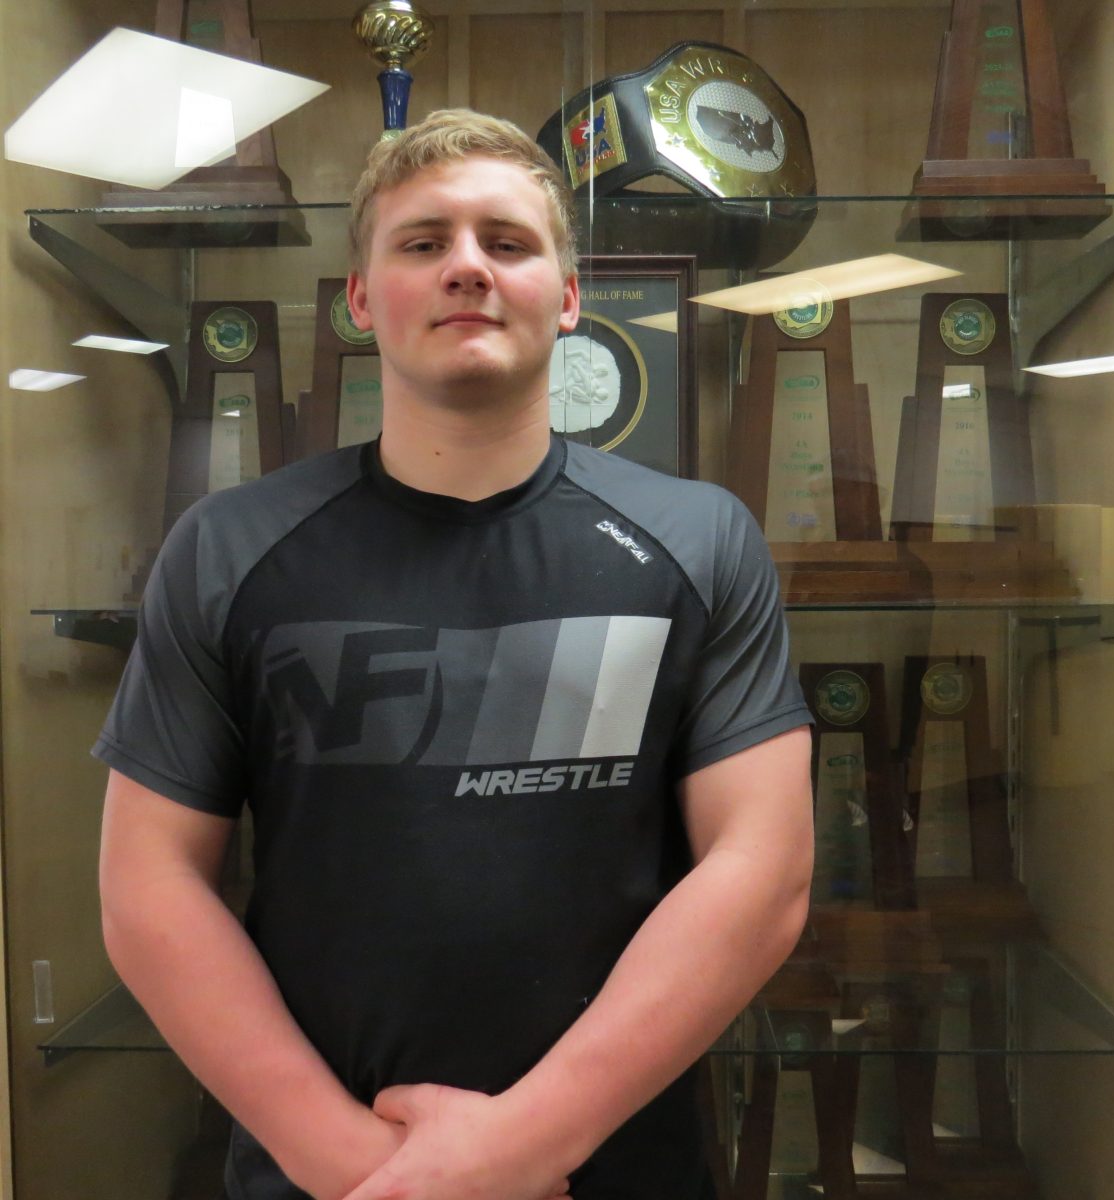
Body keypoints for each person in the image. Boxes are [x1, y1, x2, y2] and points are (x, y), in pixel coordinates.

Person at [95, 108, 814, 1200]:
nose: (467, 268)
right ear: (359, 298)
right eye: (424, 243)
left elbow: (761, 878)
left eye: (508, 243)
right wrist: (353, 1164)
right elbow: (149, 889)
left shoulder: (702, 540)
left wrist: (518, 1147)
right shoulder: (228, 548)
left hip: (612, 1169)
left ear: (570, 299)